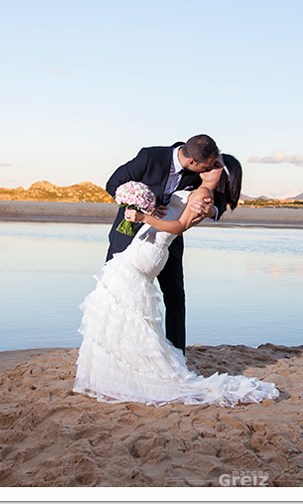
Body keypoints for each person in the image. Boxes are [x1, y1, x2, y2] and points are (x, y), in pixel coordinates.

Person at [74, 155, 278, 406]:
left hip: (151, 248)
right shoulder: (184, 174)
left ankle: (139, 363)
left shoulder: (203, 195)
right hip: (147, 244)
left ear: (224, 176)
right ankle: (123, 361)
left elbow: (180, 226)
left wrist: (144, 218)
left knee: (122, 298)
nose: (208, 166)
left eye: (215, 166)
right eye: (210, 162)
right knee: (123, 303)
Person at [104, 135, 226, 353]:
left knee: (175, 296)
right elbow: (113, 184)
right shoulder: (150, 157)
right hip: (129, 236)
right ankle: (113, 346)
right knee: (115, 292)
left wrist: (211, 211)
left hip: (167, 244)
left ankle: (177, 352)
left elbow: (219, 202)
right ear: (191, 162)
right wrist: (144, 208)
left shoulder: (201, 173)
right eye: (206, 167)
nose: (209, 170)